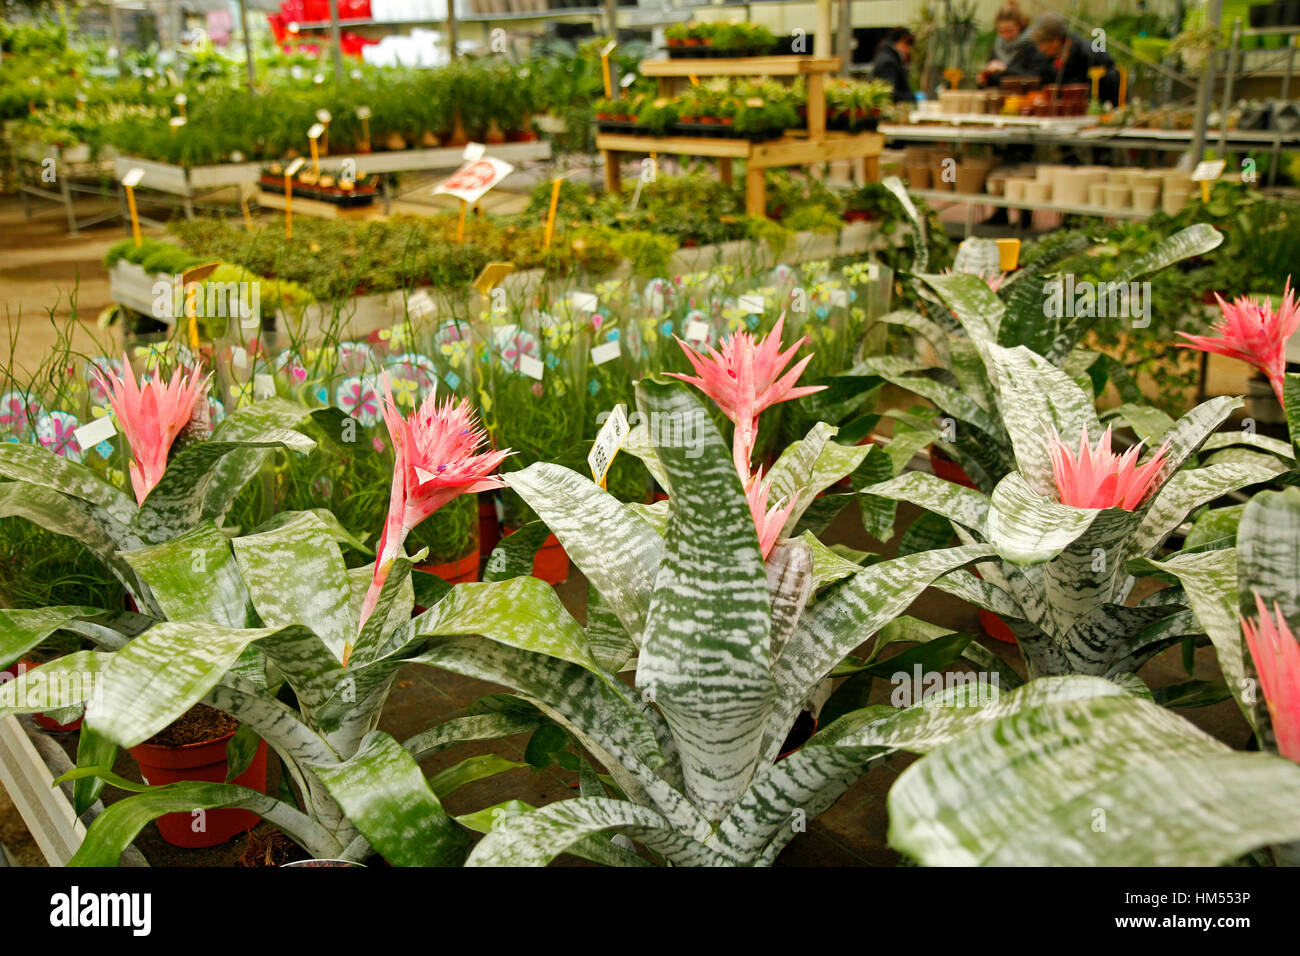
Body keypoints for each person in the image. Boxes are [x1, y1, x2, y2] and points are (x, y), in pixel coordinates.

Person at [1015, 12, 1120, 103]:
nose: (1040, 49)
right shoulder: (1050, 57)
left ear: (1056, 41)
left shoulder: (1087, 54)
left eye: (1041, 44)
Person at [979, 2, 1043, 87]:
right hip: (1001, 96)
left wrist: (1006, 69)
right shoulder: (997, 47)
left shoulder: (1032, 46)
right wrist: (984, 80)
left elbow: (1036, 78)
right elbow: (992, 82)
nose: (1005, 35)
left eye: (1009, 30)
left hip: (1024, 97)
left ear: (1020, 27)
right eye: (1001, 31)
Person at [871, 28, 915, 104]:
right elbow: (889, 93)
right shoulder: (888, 62)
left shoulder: (887, 56)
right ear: (900, 41)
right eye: (907, 43)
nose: (908, 49)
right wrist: (910, 97)